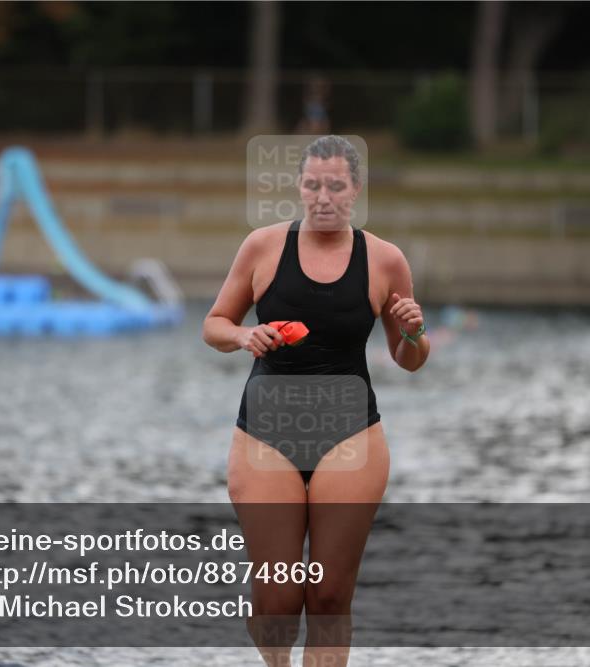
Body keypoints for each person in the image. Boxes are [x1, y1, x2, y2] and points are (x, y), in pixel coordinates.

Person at [202, 135, 430, 666]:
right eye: (312, 184)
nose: (323, 196)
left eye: (335, 185)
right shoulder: (262, 247)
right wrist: (242, 337)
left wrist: (416, 333)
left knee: (328, 597)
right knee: (279, 600)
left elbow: (409, 357)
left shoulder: (386, 260)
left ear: (355, 191)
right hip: (265, 435)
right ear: (298, 188)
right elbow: (214, 324)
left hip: (351, 435)